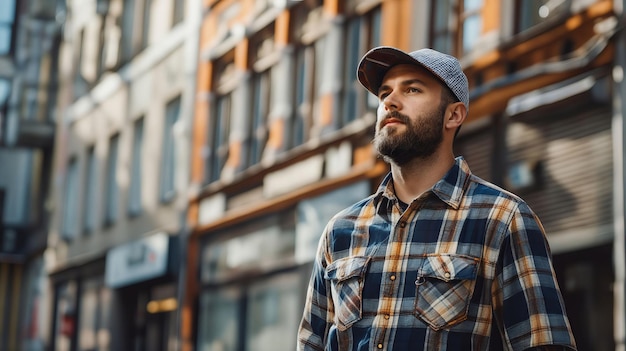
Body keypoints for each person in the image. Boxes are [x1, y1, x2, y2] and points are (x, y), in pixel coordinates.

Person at [297, 46, 577, 351]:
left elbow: (544, 344)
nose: (390, 101)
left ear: (453, 115)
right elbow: (311, 343)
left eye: (412, 89)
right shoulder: (341, 230)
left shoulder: (502, 219)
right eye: (384, 93)